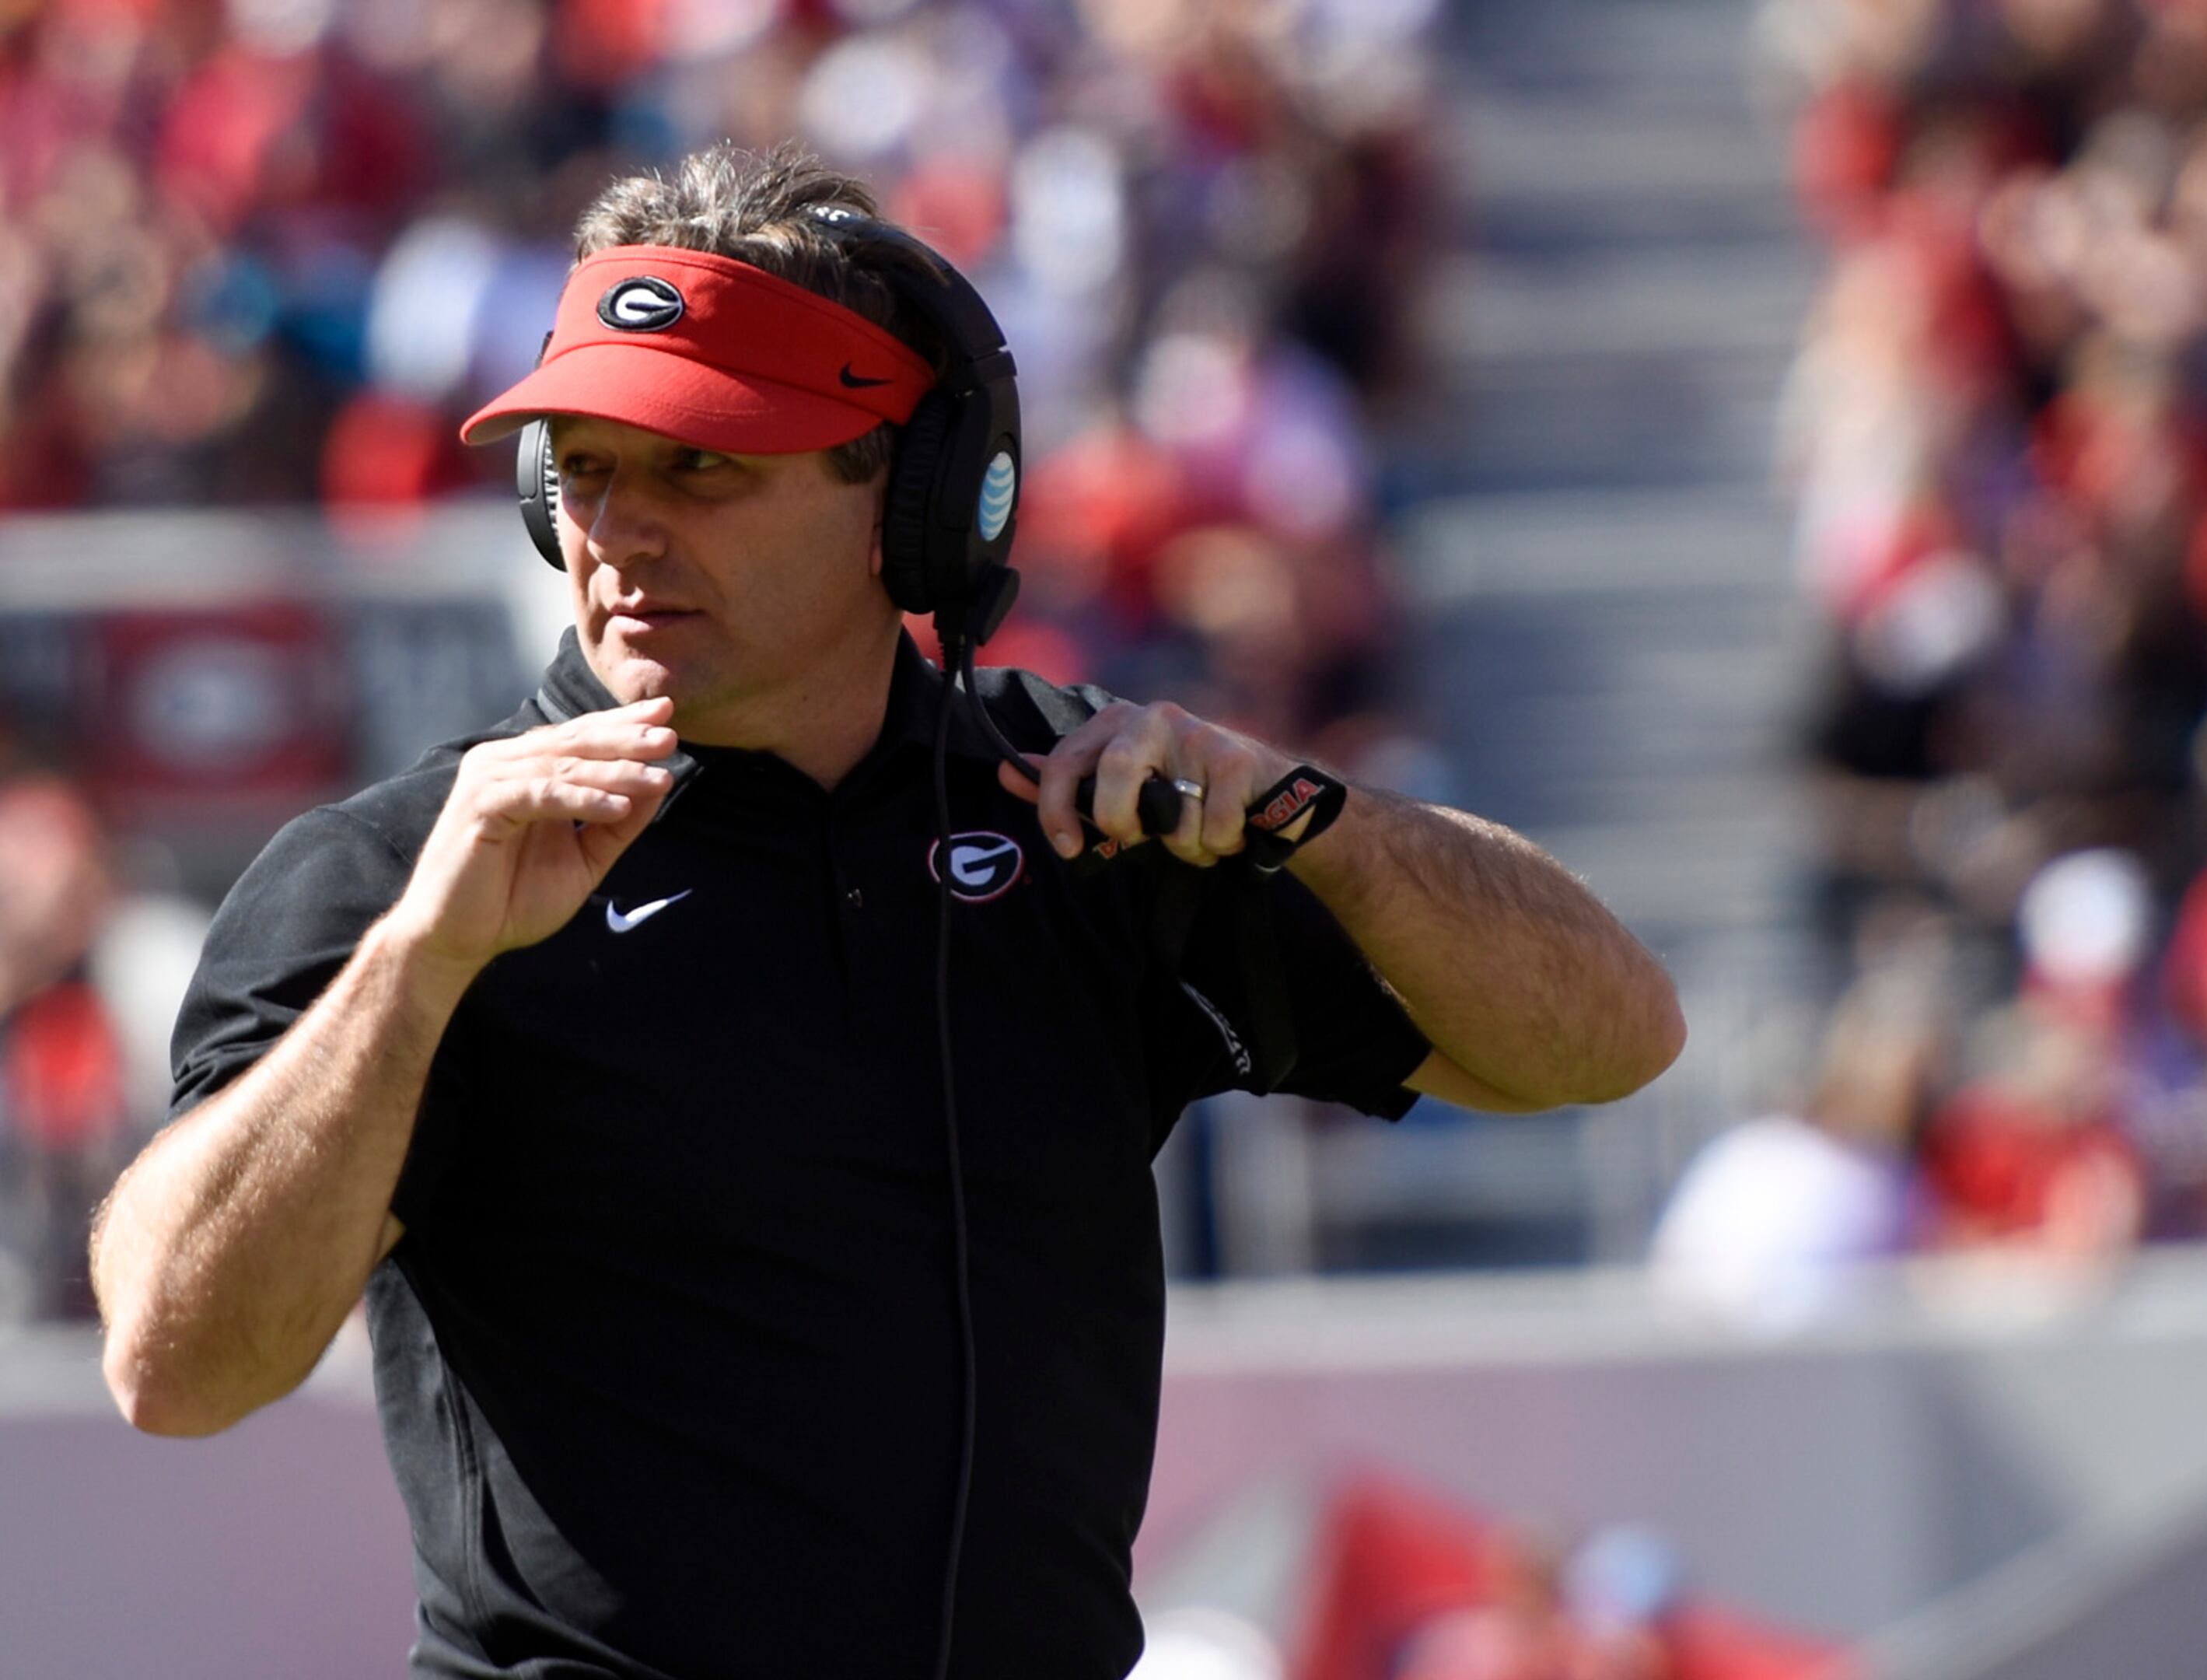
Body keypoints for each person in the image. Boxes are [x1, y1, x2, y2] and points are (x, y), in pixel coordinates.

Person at [85, 144, 1684, 1680]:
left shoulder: (1082, 807)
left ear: (915, 501)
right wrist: (417, 972)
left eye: (700, 466)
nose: (620, 531)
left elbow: (1605, 1042)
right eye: (584, 470)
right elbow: (173, 1364)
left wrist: (1311, 819)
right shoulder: (403, 874)